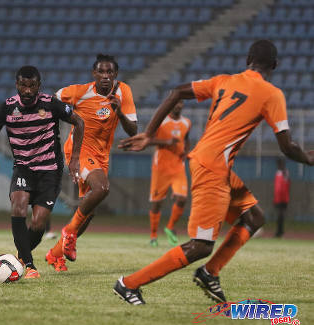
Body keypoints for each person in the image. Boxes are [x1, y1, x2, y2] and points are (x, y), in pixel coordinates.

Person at [114, 40, 314, 305]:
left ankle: (210, 273)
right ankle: (129, 284)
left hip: (212, 162)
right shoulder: (271, 94)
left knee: (254, 217)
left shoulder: (224, 80)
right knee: (201, 245)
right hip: (213, 167)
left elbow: (176, 91)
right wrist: (309, 159)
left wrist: (149, 133)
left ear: (247, 60)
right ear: (275, 66)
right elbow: (287, 147)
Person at [0, 66, 84, 279]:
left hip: (50, 170)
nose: (27, 90)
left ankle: (18, 259)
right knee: (18, 207)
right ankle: (30, 266)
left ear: (39, 86)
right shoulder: (7, 108)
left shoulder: (50, 104)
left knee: (39, 223)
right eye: (23, 85)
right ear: (16, 85)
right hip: (23, 168)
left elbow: (79, 122)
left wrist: (74, 158)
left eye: (32, 86)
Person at [45, 54, 138, 272]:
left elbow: (133, 130)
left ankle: (55, 254)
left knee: (88, 213)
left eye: (110, 72)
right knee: (102, 187)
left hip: (102, 155)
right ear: (94, 74)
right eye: (101, 72)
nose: (105, 76)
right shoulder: (79, 92)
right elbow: (52, 100)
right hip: (79, 151)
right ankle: (68, 233)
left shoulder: (123, 91)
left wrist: (119, 112)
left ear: (115, 74)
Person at [144, 101, 190, 247]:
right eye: (176, 103)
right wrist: (167, 141)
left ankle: (170, 227)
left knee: (182, 198)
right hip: (161, 169)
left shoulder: (187, 122)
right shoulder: (161, 121)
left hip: (178, 167)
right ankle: (153, 235)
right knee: (156, 204)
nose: (178, 105)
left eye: (181, 102)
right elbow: (147, 140)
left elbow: (186, 139)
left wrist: (186, 152)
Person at [273, 157, 290, 238]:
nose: (279, 165)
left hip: (283, 198)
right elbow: (277, 187)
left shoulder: (284, 172)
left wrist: (285, 198)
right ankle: (279, 232)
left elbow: (286, 186)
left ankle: (280, 232)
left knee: (281, 215)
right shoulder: (278, 172)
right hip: (278, 198)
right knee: (279, 216)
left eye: (280, 163)